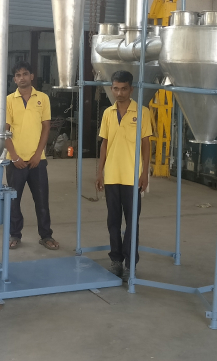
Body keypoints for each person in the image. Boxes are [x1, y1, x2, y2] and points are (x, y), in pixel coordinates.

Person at [96, 70, 152, 282]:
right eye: (116, 88)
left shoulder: (142, 112)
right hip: (111, 175)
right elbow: (105, 143)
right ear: (111, 89)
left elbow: (146, 144)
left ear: (131, 89)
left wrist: (145, 173)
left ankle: (130, 265)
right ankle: (116, 261)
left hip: (132, 176)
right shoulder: (108, 113)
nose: (119, 93)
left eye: (124, 89)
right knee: (113, 221)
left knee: (131, 223)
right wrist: (99, 172)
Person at [5, 61, 59, 250]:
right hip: (15, 161)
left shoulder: (42, 98)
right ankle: (14, 235)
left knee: (42, 201)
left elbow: (46, 128)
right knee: (13, 201)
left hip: (38, 161)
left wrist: (37, 155)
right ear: (14, 79)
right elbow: (4, 131)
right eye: (18, 75)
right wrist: (14, 156)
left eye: (25, 74)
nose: (22, 78)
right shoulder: (8, 100)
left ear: (32, 76)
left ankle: (46, 235)